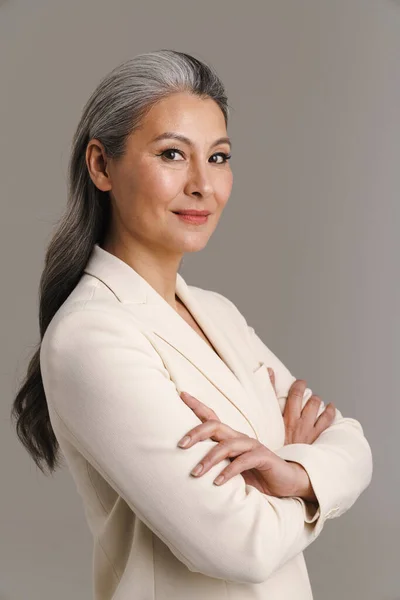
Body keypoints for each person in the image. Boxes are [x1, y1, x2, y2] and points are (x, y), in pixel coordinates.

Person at [11, 49, 373, 600]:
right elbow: (240, 545)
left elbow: (352, 441)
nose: (204, 184)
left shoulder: (217, 312)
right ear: (101, 166)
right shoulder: (91, 337)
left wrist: (291, 473)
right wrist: (312, 479)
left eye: (220, 157)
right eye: (173, 154)